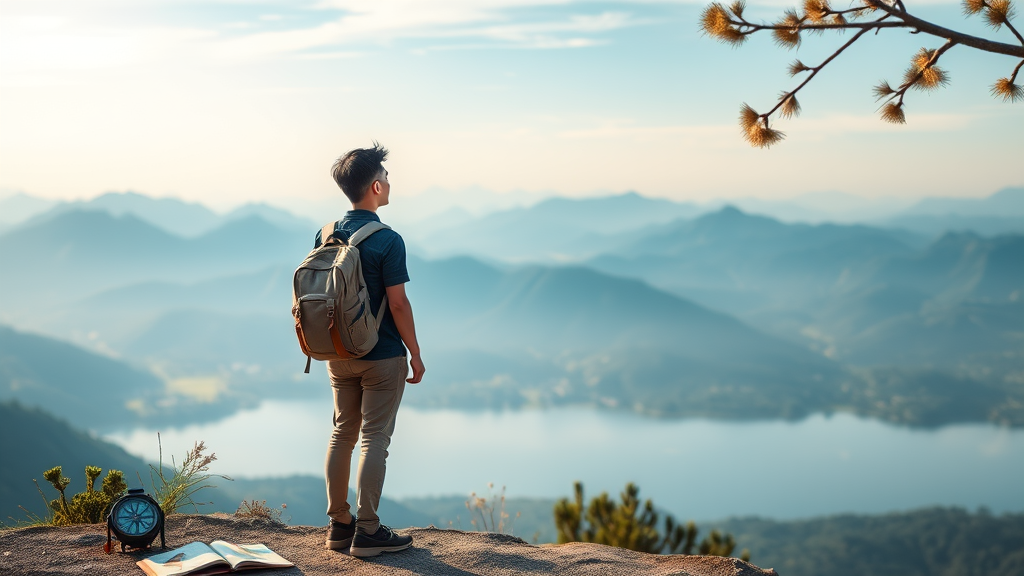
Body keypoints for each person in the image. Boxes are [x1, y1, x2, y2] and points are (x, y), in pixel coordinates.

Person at [317, 143, 425, 558]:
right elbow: (397, 304)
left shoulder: (325, 234)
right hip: (380, 356)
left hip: (337, 353)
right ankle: (368, 530)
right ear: (377, 187)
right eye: (387, 177)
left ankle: (338, 525)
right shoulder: (388, 240)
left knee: (341, 433)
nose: (390, 183)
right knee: (374, 437)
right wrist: (414, 352)